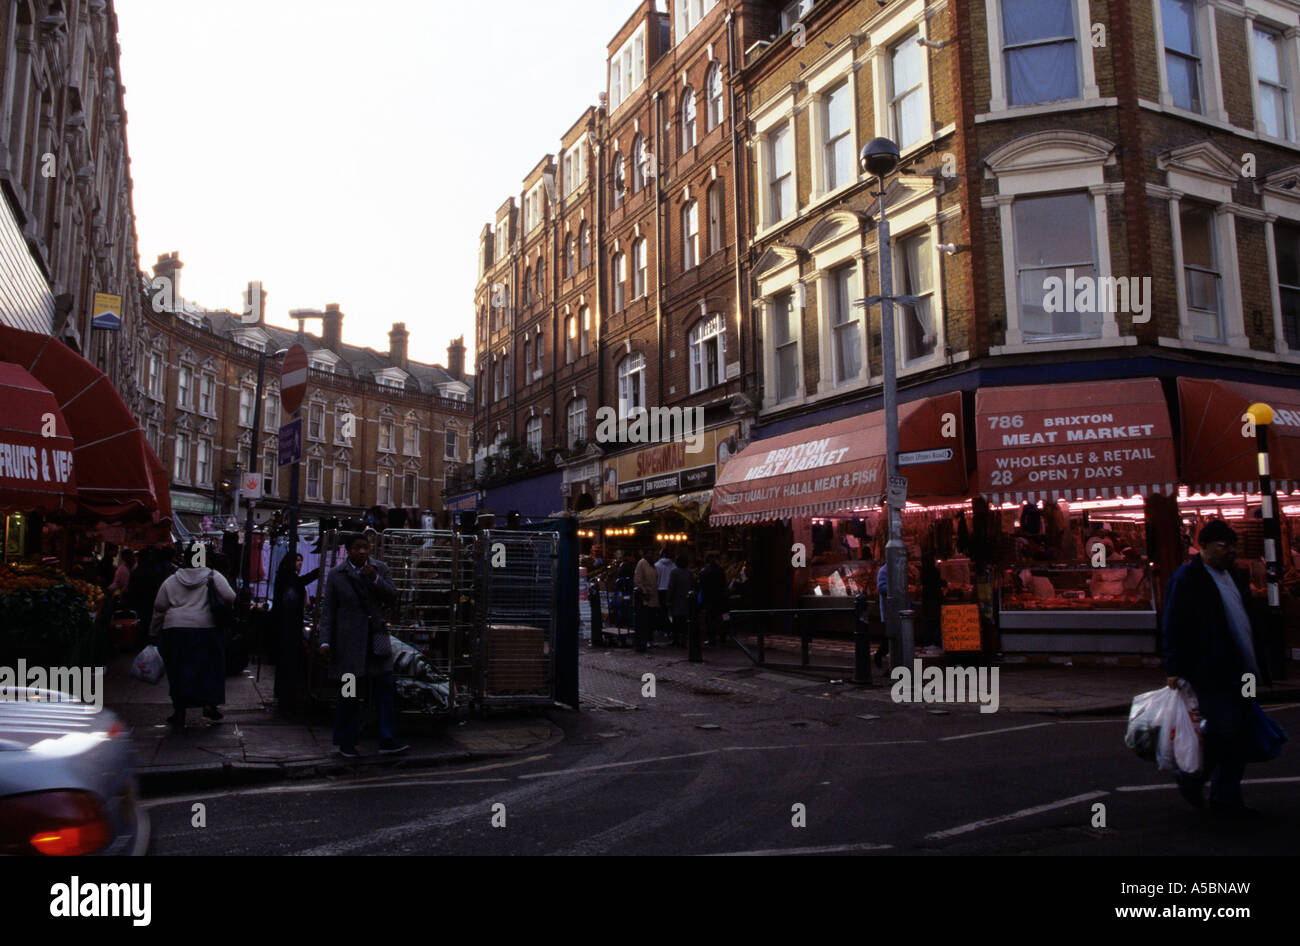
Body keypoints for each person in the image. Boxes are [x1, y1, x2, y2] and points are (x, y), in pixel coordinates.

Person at [1163, 520, 1264, 819]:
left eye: (1234, 545)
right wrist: (1174, 667)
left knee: (1240, 734)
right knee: (1224, 731)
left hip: (1242, 669)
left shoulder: (1234, 575)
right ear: (1203, 546)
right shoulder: (1188, 578)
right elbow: (1173, 624)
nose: (1231, 551)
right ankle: (1196, 779)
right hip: (1208, 669)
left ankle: (1226, 797)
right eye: (1224, 546)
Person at [318, 534, 408, 758]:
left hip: (376, 643)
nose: (362, 552)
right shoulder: (336, 575)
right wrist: (325, 641)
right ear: (348, 550)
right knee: (348, 695)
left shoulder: (380, 569)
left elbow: (392, 596)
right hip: (348, 646)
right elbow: (328, 611)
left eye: (365, 548)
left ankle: (387, 740)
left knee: (384, 691)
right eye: (357, 548)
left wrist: (375, 579)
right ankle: (346, 742)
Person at [151, 542, 235, 729]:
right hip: (207, 629)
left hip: (175, 630)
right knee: (208, 669)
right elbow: (230, 597)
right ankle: (209, 705)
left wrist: (153, 632)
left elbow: (159, 607)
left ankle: (179, 711)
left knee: (179, 671)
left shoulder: (172, 580)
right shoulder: (214, 576)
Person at [272, 552, 320, 714]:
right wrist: (318, 572)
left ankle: (285, 694)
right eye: (297, 560)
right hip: (288, 628)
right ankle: (287, 696)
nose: (299, 563)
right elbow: (300, 583)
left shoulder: (285, 578)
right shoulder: (288, 578)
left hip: (287, 627)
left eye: (301, 560)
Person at [699, 553, 729, 646]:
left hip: (709, 598)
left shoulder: (704, 571)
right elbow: (724, 584)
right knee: (720, 617)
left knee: (710, 619)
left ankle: (711, 639)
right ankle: (722, 636)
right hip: (720, 597)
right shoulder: (720, 571)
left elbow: (701, 585)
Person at [666, 554, 695, 648]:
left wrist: (668, 599)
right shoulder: (689, 572)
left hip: (676, 600)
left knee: (676, 621)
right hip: (686, 600)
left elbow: (671, 587)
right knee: (684, 622)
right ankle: (683, 640)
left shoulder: (674, 572)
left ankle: (676, 640)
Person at [633, 549, 659, 652]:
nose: (651, 555)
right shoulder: (642, 563)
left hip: (653, 596)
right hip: (645, 597)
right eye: (649, 553)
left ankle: (650, 638)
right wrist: (644, 591)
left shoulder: (653, 565)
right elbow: (638, 580)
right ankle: (645, 639)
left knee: (652, 618)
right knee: (645, 619)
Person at [654, 547, 674, 641]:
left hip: (660, 590)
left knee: (662, 611)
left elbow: (655, 579)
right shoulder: (673, 565)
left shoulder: (657, 565)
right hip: (670, 590)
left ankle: (663, 628)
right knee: (670, 610)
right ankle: (671, 629)